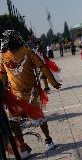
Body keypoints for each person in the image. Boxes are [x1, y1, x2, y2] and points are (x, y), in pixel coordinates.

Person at [0, 30, 61, 159]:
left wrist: (53, 81)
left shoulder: (27, 52)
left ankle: (48, 139)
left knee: (38, 118)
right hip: (13, 95)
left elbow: (42, 66)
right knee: (13, 122)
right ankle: (23, 147)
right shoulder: (2, 56)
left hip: (31, 93)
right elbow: (2, 74)